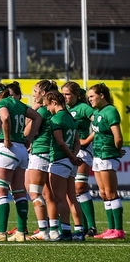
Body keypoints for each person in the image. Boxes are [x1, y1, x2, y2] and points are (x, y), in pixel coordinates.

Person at [0, 81, 41, 242]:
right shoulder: (19, 103)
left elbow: (5, 118)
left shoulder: (1, 103)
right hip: (21, 149)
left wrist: (7, 138)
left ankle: (1, 232)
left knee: (0, 190)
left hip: (7, 148)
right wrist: (29, 139)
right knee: (19, 191)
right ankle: (21, 232)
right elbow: (37, 117)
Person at [44, 90, 85, 241]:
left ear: (54, 102)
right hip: (70, 162)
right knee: (71, 197)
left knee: (60, 198)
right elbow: (77, 142)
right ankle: (79, 231)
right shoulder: (70, 117)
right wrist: (73, 157)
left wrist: (70, 157)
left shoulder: (56, 119)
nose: (47, 109)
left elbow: (60, 142)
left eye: (48, 105)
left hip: (60, 160)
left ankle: (66, 232)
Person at [87, 82, 125, 240]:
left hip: (107, 155)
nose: (90, 99)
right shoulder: (97, 112)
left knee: (111, 193)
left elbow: (118, 136)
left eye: (92, 96)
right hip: (97, 155)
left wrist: (116, 150)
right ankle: (110, 229)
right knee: (103, 193)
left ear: (102, 95)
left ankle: (119, 230)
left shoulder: (110, 111)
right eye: (88, 97)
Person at [61, 81, 97, 236]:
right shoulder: (64, 109)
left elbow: (100, 123)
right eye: (62, 94)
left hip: (82, 151)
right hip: (67, 152)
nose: (65, 97)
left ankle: (92, 227)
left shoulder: (84, 108)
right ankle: (83, 225)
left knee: (79, 188)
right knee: (71, 191)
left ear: (76, 95)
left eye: (67, 94)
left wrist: (87, 140)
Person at [26, 80, 57, 241]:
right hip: (46, 153)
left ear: (43, 93)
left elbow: (26, 131)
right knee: (48, 194)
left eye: (35, 91)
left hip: (40, 153)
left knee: (35, 193)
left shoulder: (42, 112)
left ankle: (43, 230)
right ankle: (54, 230)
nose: (33, 95)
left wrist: (33, 111)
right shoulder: (49, 111)